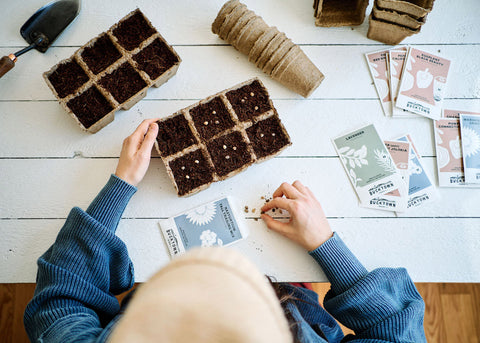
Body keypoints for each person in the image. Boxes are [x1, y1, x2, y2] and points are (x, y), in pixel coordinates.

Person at [24, 119, 427, 342]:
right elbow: (398, 332)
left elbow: (59, 302)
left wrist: (121, 184)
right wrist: (326, 244)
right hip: (299, 292)